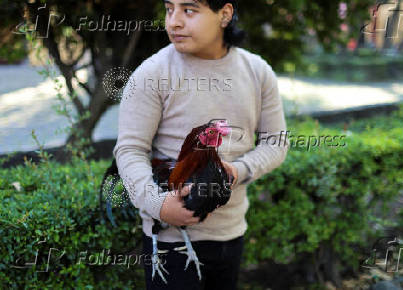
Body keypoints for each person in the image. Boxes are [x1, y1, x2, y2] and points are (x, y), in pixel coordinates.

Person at [113, 0, 289, 289]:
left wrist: (239, 170)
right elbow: (130, 149)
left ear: (225, 14)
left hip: (231, 233)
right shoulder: (152, 73)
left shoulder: (258, 72)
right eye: (170, 9)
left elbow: (276, 142)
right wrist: (157, 204)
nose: (174, 22)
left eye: (189, 10)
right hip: (170, 242)